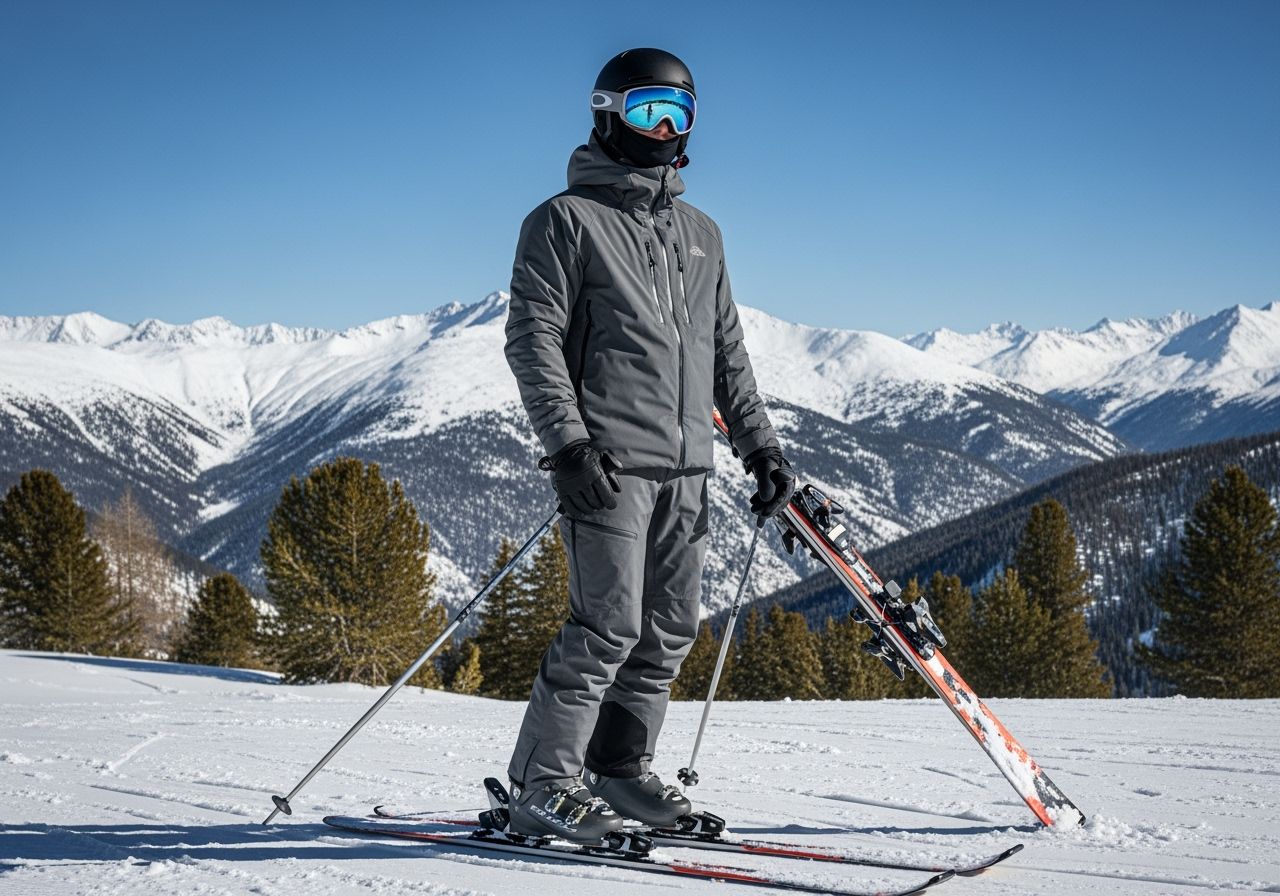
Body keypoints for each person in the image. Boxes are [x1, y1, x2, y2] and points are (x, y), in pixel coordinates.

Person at [502, 47, 795, 843]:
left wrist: (761, 449)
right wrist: (567, 446)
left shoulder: (703, 234)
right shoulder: (564, 221)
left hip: (688, 469)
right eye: (646, 111)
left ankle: (620, 773)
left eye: (679, 115)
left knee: (668, 631)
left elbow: (725, 354)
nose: (664, 129)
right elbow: (533, 340)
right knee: (605, 629)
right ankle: (545, 783)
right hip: (610, 466)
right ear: (606, 113)